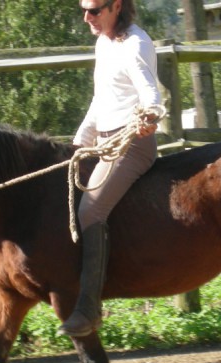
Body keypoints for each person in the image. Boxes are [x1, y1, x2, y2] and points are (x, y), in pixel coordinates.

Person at [58, 0, 161, 337]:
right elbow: (101, 100)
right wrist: (78, 143)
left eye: (94, 10)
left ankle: (89, 310)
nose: (86, 17)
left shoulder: (136, 44)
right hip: (104, 142)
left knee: (90, 211)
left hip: (131, 145)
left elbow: (151, 94)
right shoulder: (104, 43)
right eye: (83, 9)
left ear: (117, 5)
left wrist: (150, 116)